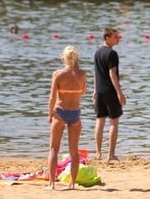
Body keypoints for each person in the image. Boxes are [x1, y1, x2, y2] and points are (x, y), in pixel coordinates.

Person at [47, 45, 87, 190]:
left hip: (60, 112)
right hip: (75, 113)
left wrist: (50, 113)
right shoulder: (82, 74)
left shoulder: (58, 74)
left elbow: (52, 97)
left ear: (63, 58)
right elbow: (83, 92)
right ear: (76, 58)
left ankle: (51, 184)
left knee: (53, 149)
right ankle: (72, 184)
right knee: (74, 151)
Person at [93, 27, 126, 161]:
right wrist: (120, 93)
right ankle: (111, 154)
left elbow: (95, 73)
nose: (117, 39)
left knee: (100, 122)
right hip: (110, 91)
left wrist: (95, 90)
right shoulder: (112, 53)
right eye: (115, 37)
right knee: (114, 122)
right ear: (107, 38)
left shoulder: (97, 52)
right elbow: (112, 73)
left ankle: (98, 153)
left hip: (100, 91)